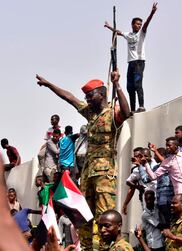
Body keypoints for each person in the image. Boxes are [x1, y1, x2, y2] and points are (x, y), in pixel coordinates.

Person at [36, 70, 130, 250]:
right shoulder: (90, 114)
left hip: (104, 174)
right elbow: (69, 98)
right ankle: (86, 247)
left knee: (104, 215)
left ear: (102, 94)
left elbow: (126, 112)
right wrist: (49, 85)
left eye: (90, 95)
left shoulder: (112, 114)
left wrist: (117, 84)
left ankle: (104, 248)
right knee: (84, 215)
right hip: (87, 173)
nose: (86, 99)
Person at [104, 3, 158, 112]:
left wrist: (152, 12)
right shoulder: (128, 34)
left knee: (138, 84)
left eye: (140, 24)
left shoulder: (141, 33)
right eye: (137, 24)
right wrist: (109, 27)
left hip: (139, 62)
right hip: (131, 63)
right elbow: (118, 32)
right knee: (130, 87)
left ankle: (141, 106)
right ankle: (132, 109)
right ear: (132, 25)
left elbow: (147, 23)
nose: (139, 26)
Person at [122, 148, 157, 213]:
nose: (136, 158)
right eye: (135, 156)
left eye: (138, 156)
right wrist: (125, 203)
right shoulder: (135, 170)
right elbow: (131, 187)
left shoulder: (155, 164)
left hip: (158, 196)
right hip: (145, 199)